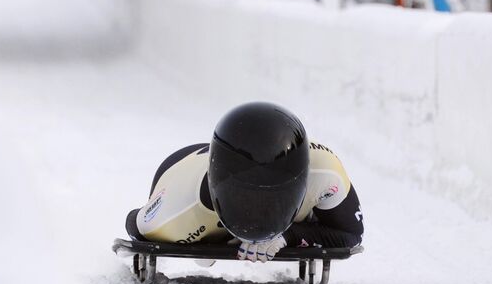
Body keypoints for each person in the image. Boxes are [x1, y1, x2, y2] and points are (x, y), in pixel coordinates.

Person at [126, 102, 363, 262]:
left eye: (274, 197)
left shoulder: (325, 172)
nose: (258, 216)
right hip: (184, 168)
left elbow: (352, 234)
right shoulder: (175, 212)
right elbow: (136, 225)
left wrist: (289, 235)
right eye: (247, 198)